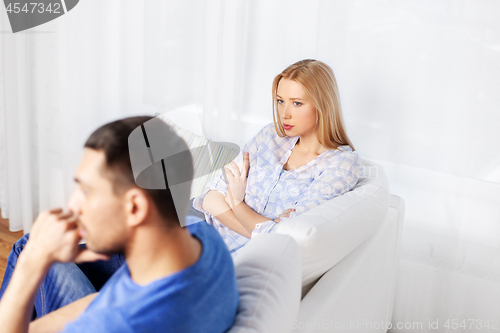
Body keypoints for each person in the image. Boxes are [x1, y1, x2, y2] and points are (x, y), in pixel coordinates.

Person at [0, 116, 239, 333]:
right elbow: (111, 299)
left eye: (86, 191)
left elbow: (109, 315)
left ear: (135, 207)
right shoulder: (204, 238)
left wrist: (31, 266)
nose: (72, 206)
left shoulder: (115, 324)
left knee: (27, 247)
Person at [193, 59, 364, 256]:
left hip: (240, 259)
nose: (284, 114)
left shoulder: (341, 164)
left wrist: (236, 202)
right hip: (202, 232)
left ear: (323, 106)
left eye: (297, 103)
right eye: (280, 101)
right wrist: (261, 227)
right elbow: (210, 198)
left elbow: (283, 237)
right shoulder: (270, 136)